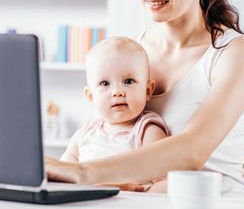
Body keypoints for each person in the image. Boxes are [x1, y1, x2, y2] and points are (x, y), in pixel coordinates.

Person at [46, 0, 244, 197]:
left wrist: (83, 173)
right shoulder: (130, 51)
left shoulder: (234, 53)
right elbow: (102, 135)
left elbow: (192, 151)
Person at [60, 37, 168, 171]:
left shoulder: (147, 132)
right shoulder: (85, 133)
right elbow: (63, 173)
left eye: (128, 81)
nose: (117, 92)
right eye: (105, 83)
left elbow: (162, 179)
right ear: (91, 96)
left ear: (147, 90)